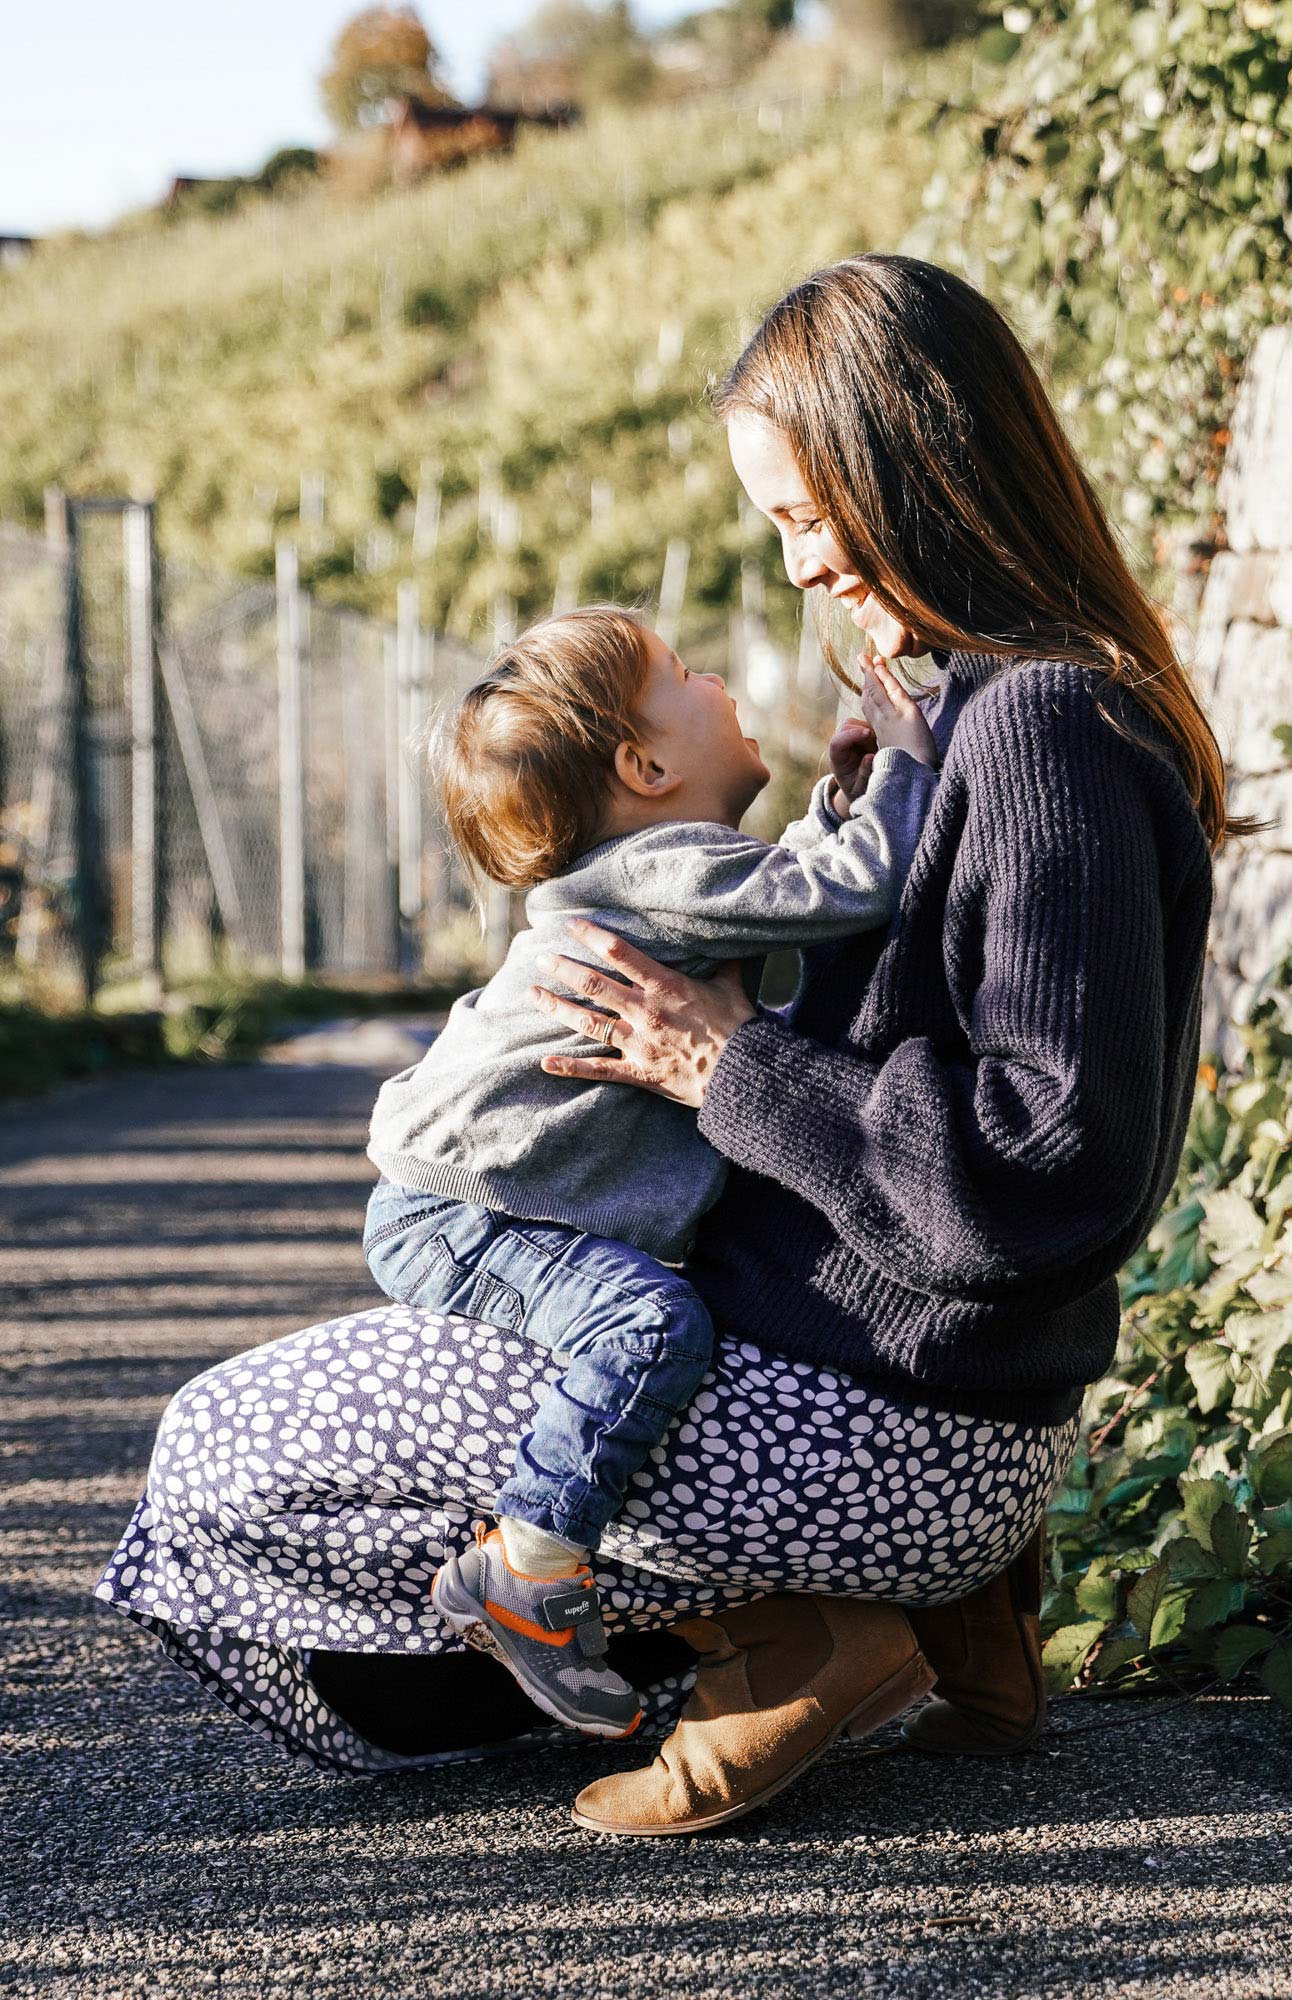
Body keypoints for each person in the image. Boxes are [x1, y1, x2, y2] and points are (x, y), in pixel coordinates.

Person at [97, 255, 1232, 1834]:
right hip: (895, 1415)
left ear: (905, 466)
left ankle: (807, 1628)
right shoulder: (981, 714)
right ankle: (886, 1616)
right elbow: (918, 1019)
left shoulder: (1038, 729)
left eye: (798, 513)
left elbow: (1045, 1169)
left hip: (879, 1435)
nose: (794, 564)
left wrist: (722, 1066)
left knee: (225, 1447)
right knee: (404, 1505)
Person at [362, 602, 940, 1740]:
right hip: (459, 1210)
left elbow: (800, 882)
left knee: (653, 1324)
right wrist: (912, 763)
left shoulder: (660, 870)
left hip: (467, 1198)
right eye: (687, 672)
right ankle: (528, 1565)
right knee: (649, 1328)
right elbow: (840, 893)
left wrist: (843, 796)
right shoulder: (654, 866)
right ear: (645, 761)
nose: (718, 677)